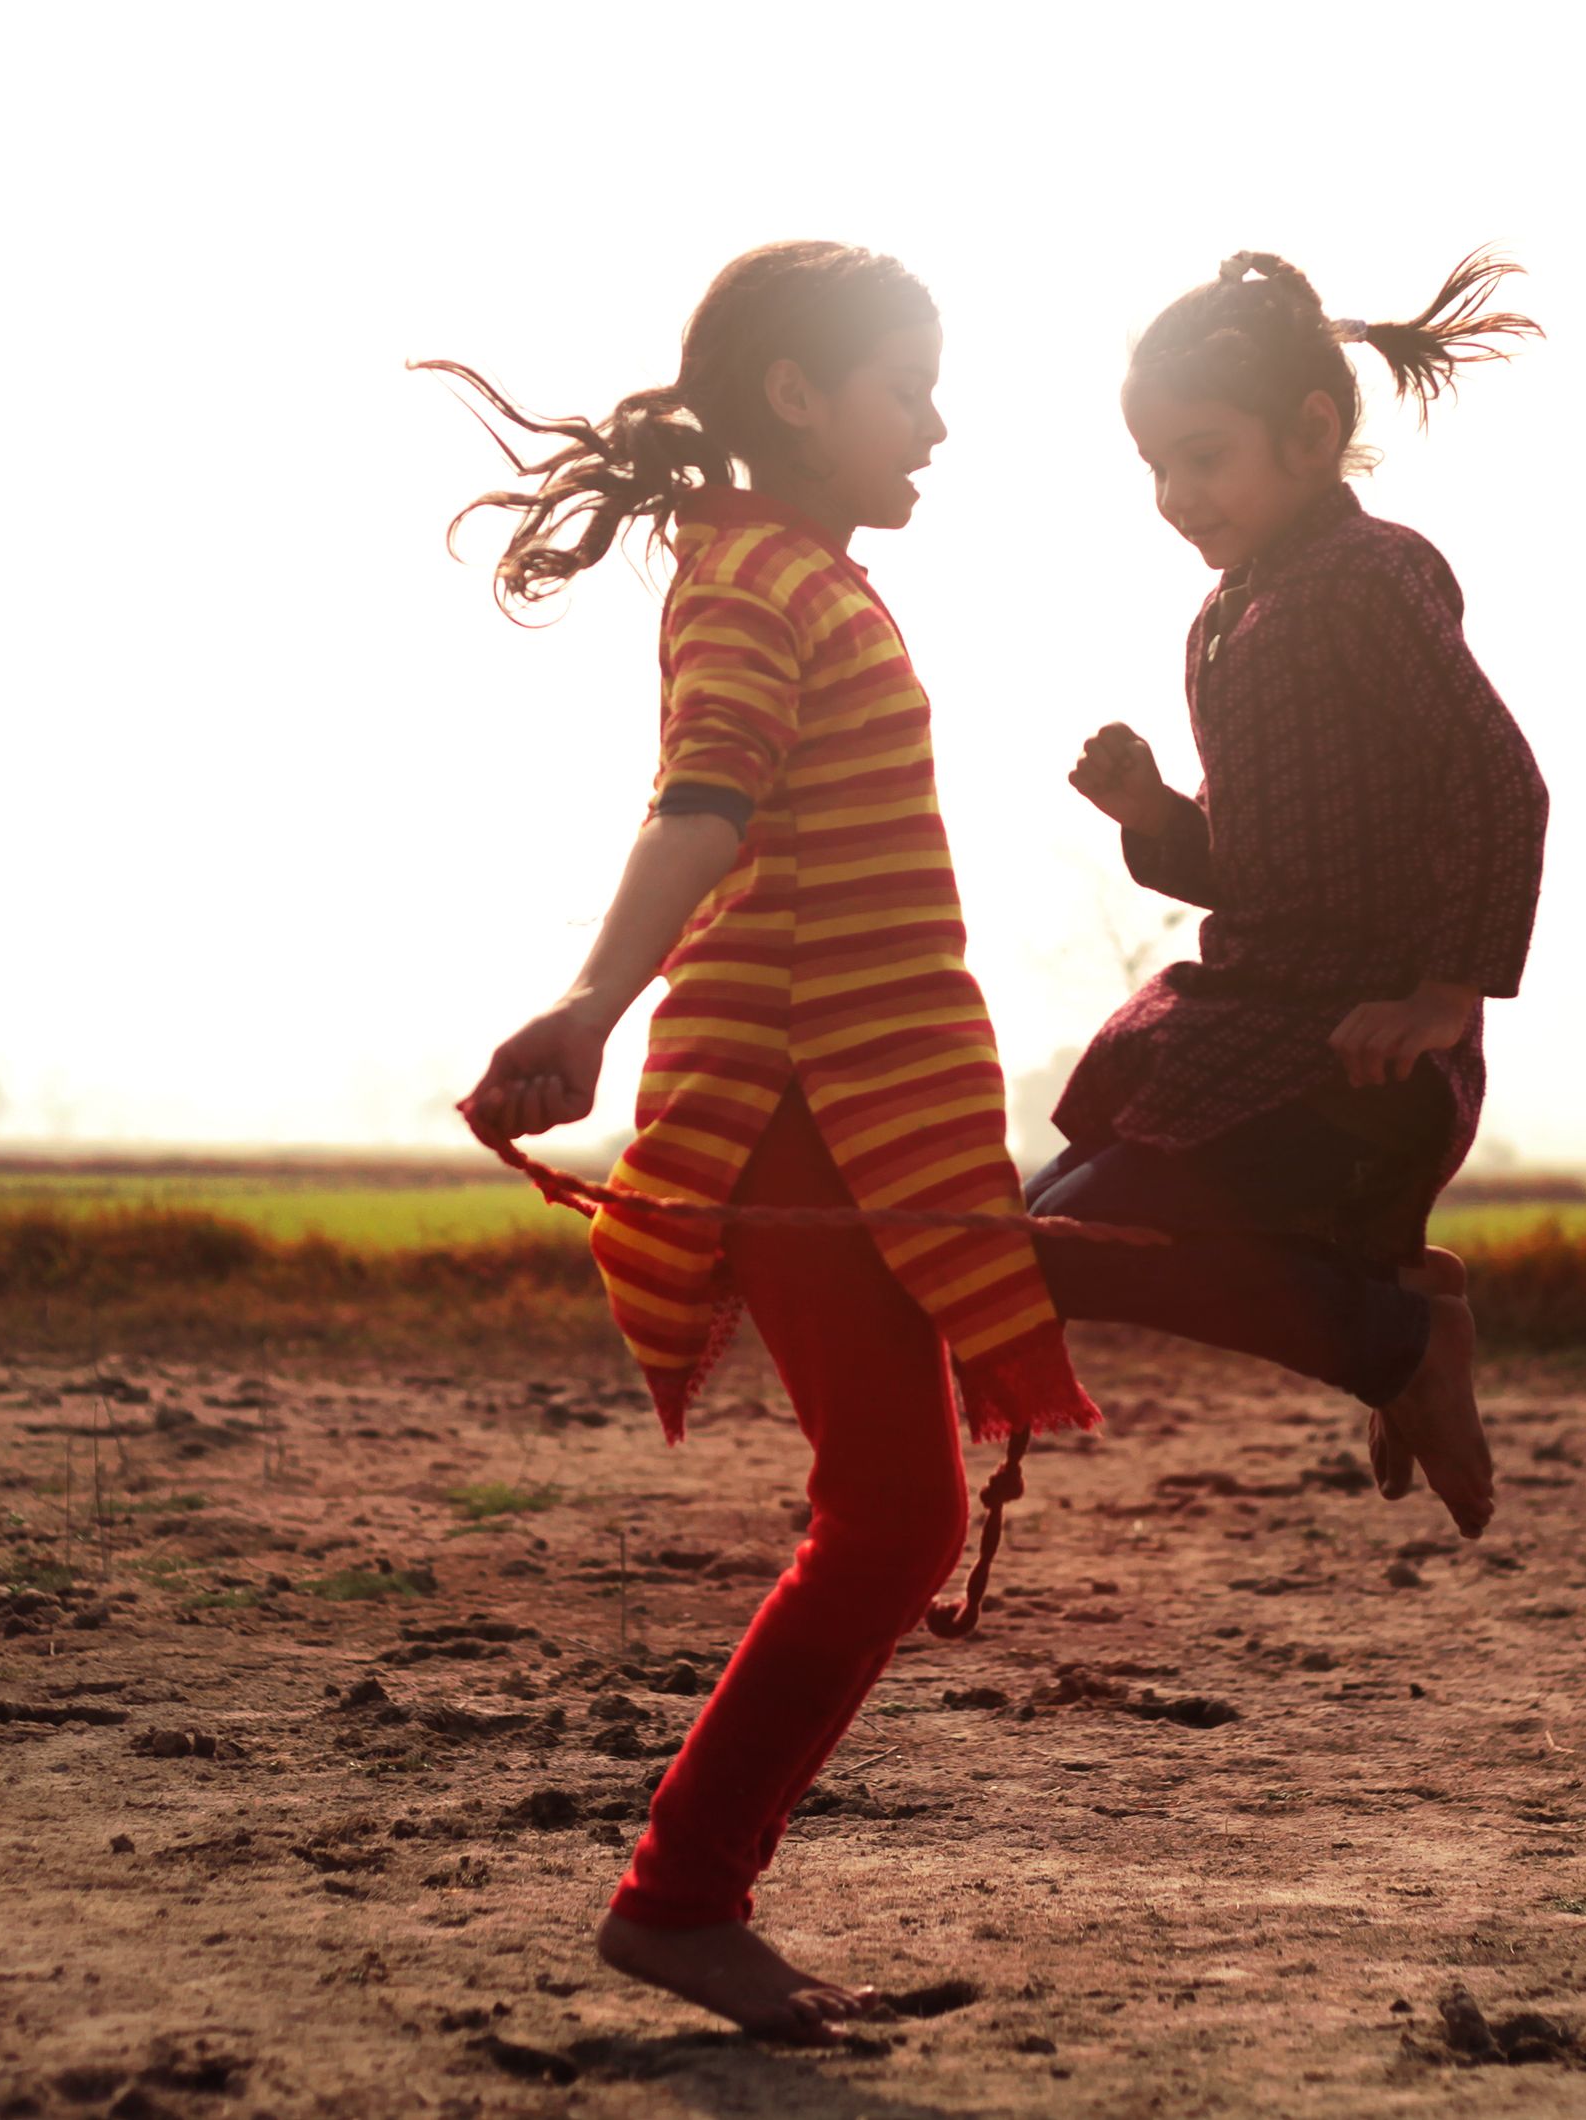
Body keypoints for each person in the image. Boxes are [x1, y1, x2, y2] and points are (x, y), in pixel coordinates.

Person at [436, 241, 1097, 2046]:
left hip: (864, 1110)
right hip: (805, 1110)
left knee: (894, 1513)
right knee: (889, 1516)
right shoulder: (748, 584)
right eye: (909, 387)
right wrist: (590, 1000)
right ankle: (677, 1900)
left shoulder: (801, 575)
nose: (939, 425)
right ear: (799, 398)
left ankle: (689, 1893)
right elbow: (702, 806)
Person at [1034, 248, 1549, 1538]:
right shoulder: (1227, 616)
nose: (1174, 494)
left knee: (1050, 1252)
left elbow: (1502, 785)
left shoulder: (1369, 583)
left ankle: (1396, 1342)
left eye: (1203, 456)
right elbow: (1261, 859)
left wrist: (1438, 995)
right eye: (1154, 464)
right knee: (1028, 1231)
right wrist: (1158, 817)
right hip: (1241, 1022)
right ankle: (1395, 1303)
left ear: (1313, 433)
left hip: (1347, 1055)